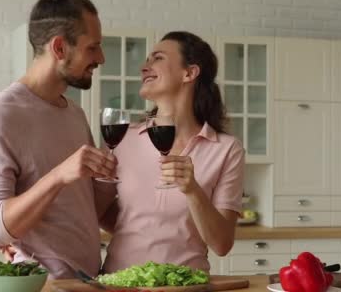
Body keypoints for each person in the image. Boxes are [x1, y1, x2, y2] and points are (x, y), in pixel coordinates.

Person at [0, 0, 117, 279]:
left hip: (87, 282)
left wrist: (109, 174)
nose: (100, 58)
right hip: (40, 287)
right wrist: (60, 175)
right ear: (60, 47)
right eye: (93, 48)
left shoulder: (74, 114)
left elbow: (90, 212)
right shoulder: (0, 118)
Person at [101, 31, 244, 274]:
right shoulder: (123, 139)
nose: (144, 67)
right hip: (119, 283)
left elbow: (221, 244)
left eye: (157, 58)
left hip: (186, 285)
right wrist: (146, 232)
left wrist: (193, 190)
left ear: (189, 73)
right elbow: (99, 209)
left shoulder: (226, 149)